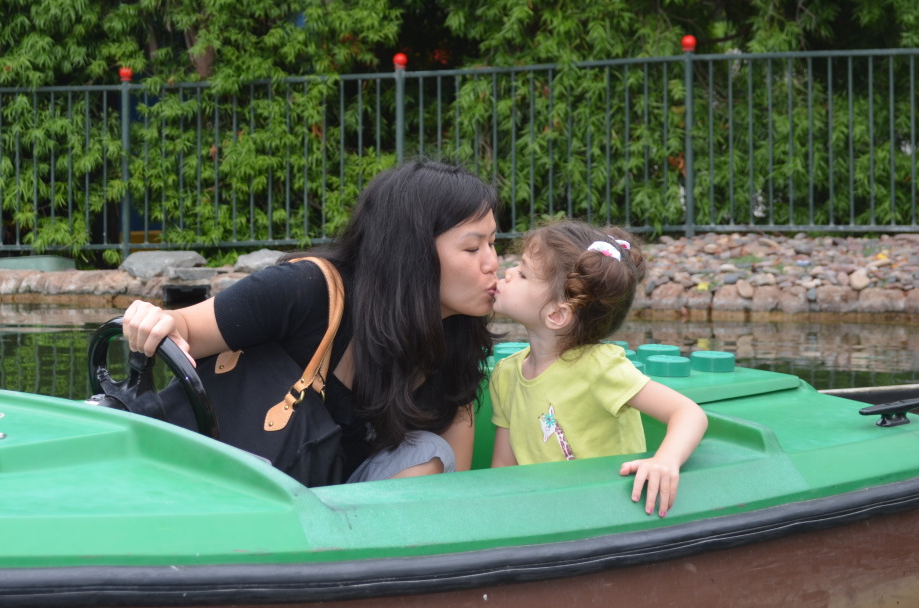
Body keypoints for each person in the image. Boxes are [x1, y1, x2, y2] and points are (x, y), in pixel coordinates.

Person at [123, 159, 500, 482]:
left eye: (493, 243)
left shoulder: (457, 336)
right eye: (472, 247)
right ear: (412, 253)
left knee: (429, 452)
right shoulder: (306, 288)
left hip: (331, 511)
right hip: (219, 479)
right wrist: (152, 320)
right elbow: (184, 328)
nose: (492, 263)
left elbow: (453, 488)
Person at [489, 219, 708, 516]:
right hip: (545, 515)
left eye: (523, 273)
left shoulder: (599, 367)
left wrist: (665, 460)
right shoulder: (505, 373)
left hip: (607, 513)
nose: (508, 272)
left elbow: (688, 413)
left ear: (556, 314)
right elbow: (504, 466)